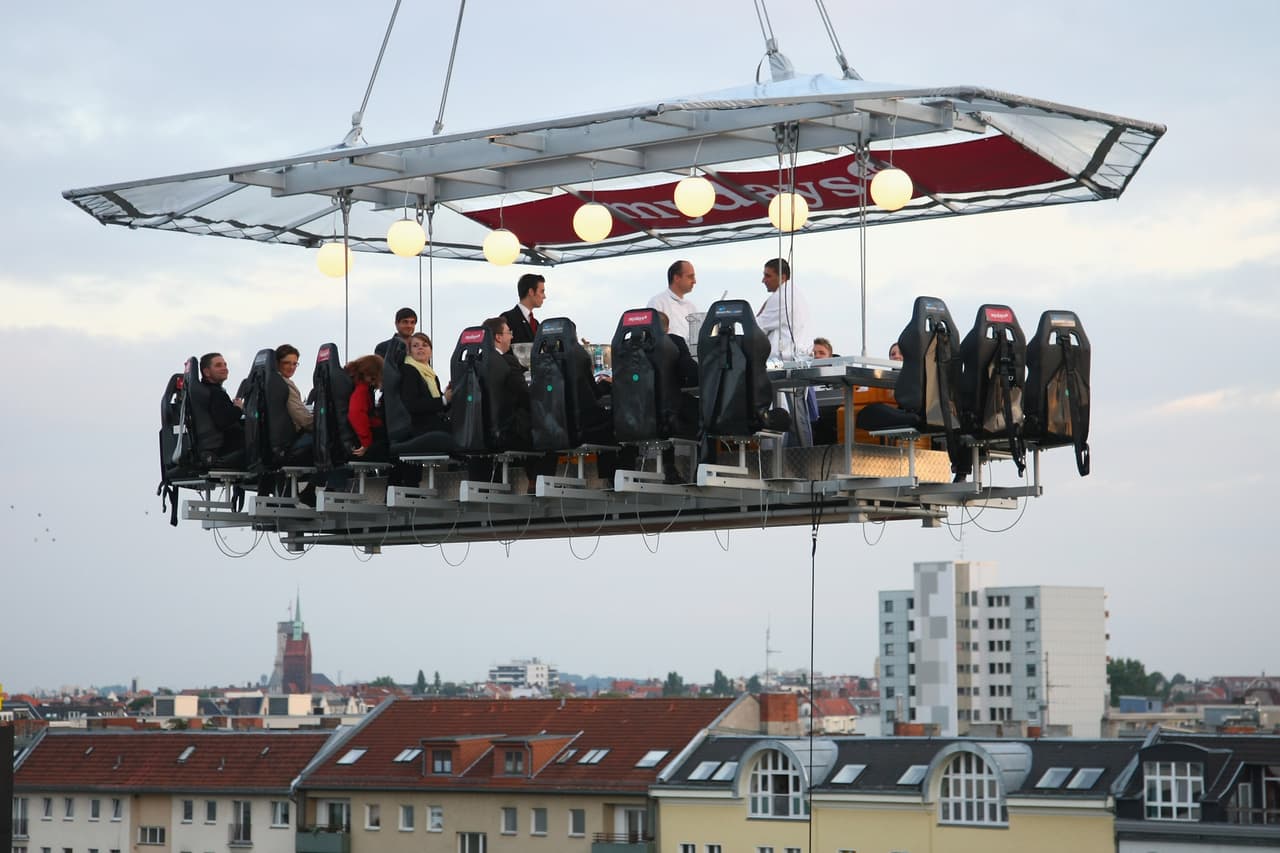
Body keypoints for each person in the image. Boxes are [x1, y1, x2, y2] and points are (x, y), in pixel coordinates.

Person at [481, 316, 556, 491]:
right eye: (509, 333)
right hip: (507, 433)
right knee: (549, 434)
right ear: (498, 337)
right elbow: (525, 395)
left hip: (481, 431)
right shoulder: (507, 361)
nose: (511, 337)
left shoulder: (476, 361)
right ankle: (538, 484)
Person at [757, 258, 812, 445]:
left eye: (767, 275)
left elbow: (758, 328)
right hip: (797, 360)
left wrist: (760, 311)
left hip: (784, 363)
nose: (763, 280)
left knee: (792, 418)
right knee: (797, 415)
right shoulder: (797, 294)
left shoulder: (780, 297)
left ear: (782, 276)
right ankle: (802, 457)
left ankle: (801, 459)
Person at [401, 332, 450, 434]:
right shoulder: (408, 370)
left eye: (425, 345)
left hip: (433, 423)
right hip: (419, 427)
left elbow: (438, 405)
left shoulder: (432, 375)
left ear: (431, 352)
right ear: (409, 352)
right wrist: (444, 399)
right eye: (415, 346)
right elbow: (412, 404)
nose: (420, 348)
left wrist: (450, 397)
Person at [199, 352, 244, 452]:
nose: (225, 368)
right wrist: (238, 408)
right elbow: (223, 421)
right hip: (228, 447)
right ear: (207, 372)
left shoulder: (205, 390)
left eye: (225, 365)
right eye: (218, 365)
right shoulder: (215, 393)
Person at [345, 354, 387, 460]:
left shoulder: (353, 385)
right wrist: (366, 442)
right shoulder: (362, 389)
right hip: (361, 443)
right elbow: (356, 413)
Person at [646, 259, 699, 341]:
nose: (694, 281)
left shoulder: (691, 307)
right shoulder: (657, 302)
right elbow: (653, 336)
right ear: (677, 278)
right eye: (690, 277)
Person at [275, 344, 313, 434]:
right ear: (277, 363)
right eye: (286, 363)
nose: (291, 367)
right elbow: (303, 419)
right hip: (289, 438)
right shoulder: (284, 384)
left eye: (295, 364)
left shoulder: (266, 380)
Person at [500, 273, 545, 344]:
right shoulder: (507, 318)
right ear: (531, 292)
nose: (544, 296)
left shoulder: (536, 323)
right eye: (542, 291)